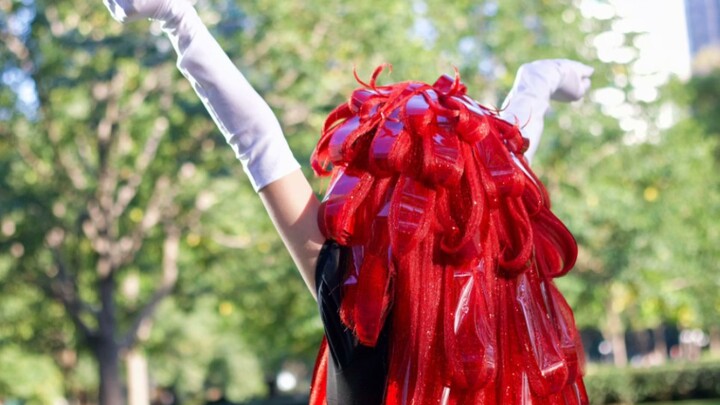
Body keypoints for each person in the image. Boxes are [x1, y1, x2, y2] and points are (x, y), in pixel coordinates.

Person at [103, 1, 594, 404]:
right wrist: (539, 80)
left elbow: (260, 143)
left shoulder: (354, 294)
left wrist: (180, 21)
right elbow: (508, 157)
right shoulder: (510, 288)